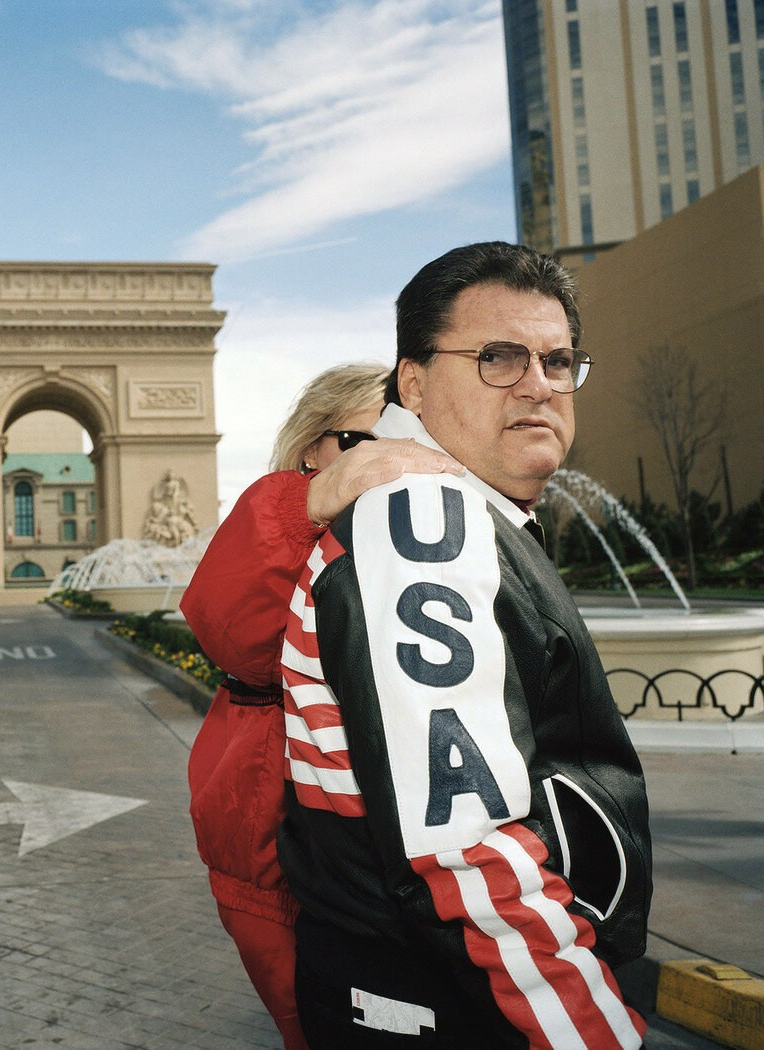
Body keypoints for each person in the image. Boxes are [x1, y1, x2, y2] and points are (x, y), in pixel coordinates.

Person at [279, 242, 652, 1048]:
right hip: (453, 1000)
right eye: (497, 358)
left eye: (558, 361)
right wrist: (590, 1032)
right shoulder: (424, 524)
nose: (538, 384)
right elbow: (465, 852)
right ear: (412, 383)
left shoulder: (451, 513)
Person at [182, 364, 462, 1050]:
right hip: (276, 841)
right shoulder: (280, 508)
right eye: (358, 441)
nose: (383, 460)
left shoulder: (414, 528)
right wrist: (315, 502)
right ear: (313, 446)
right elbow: (233, 635)